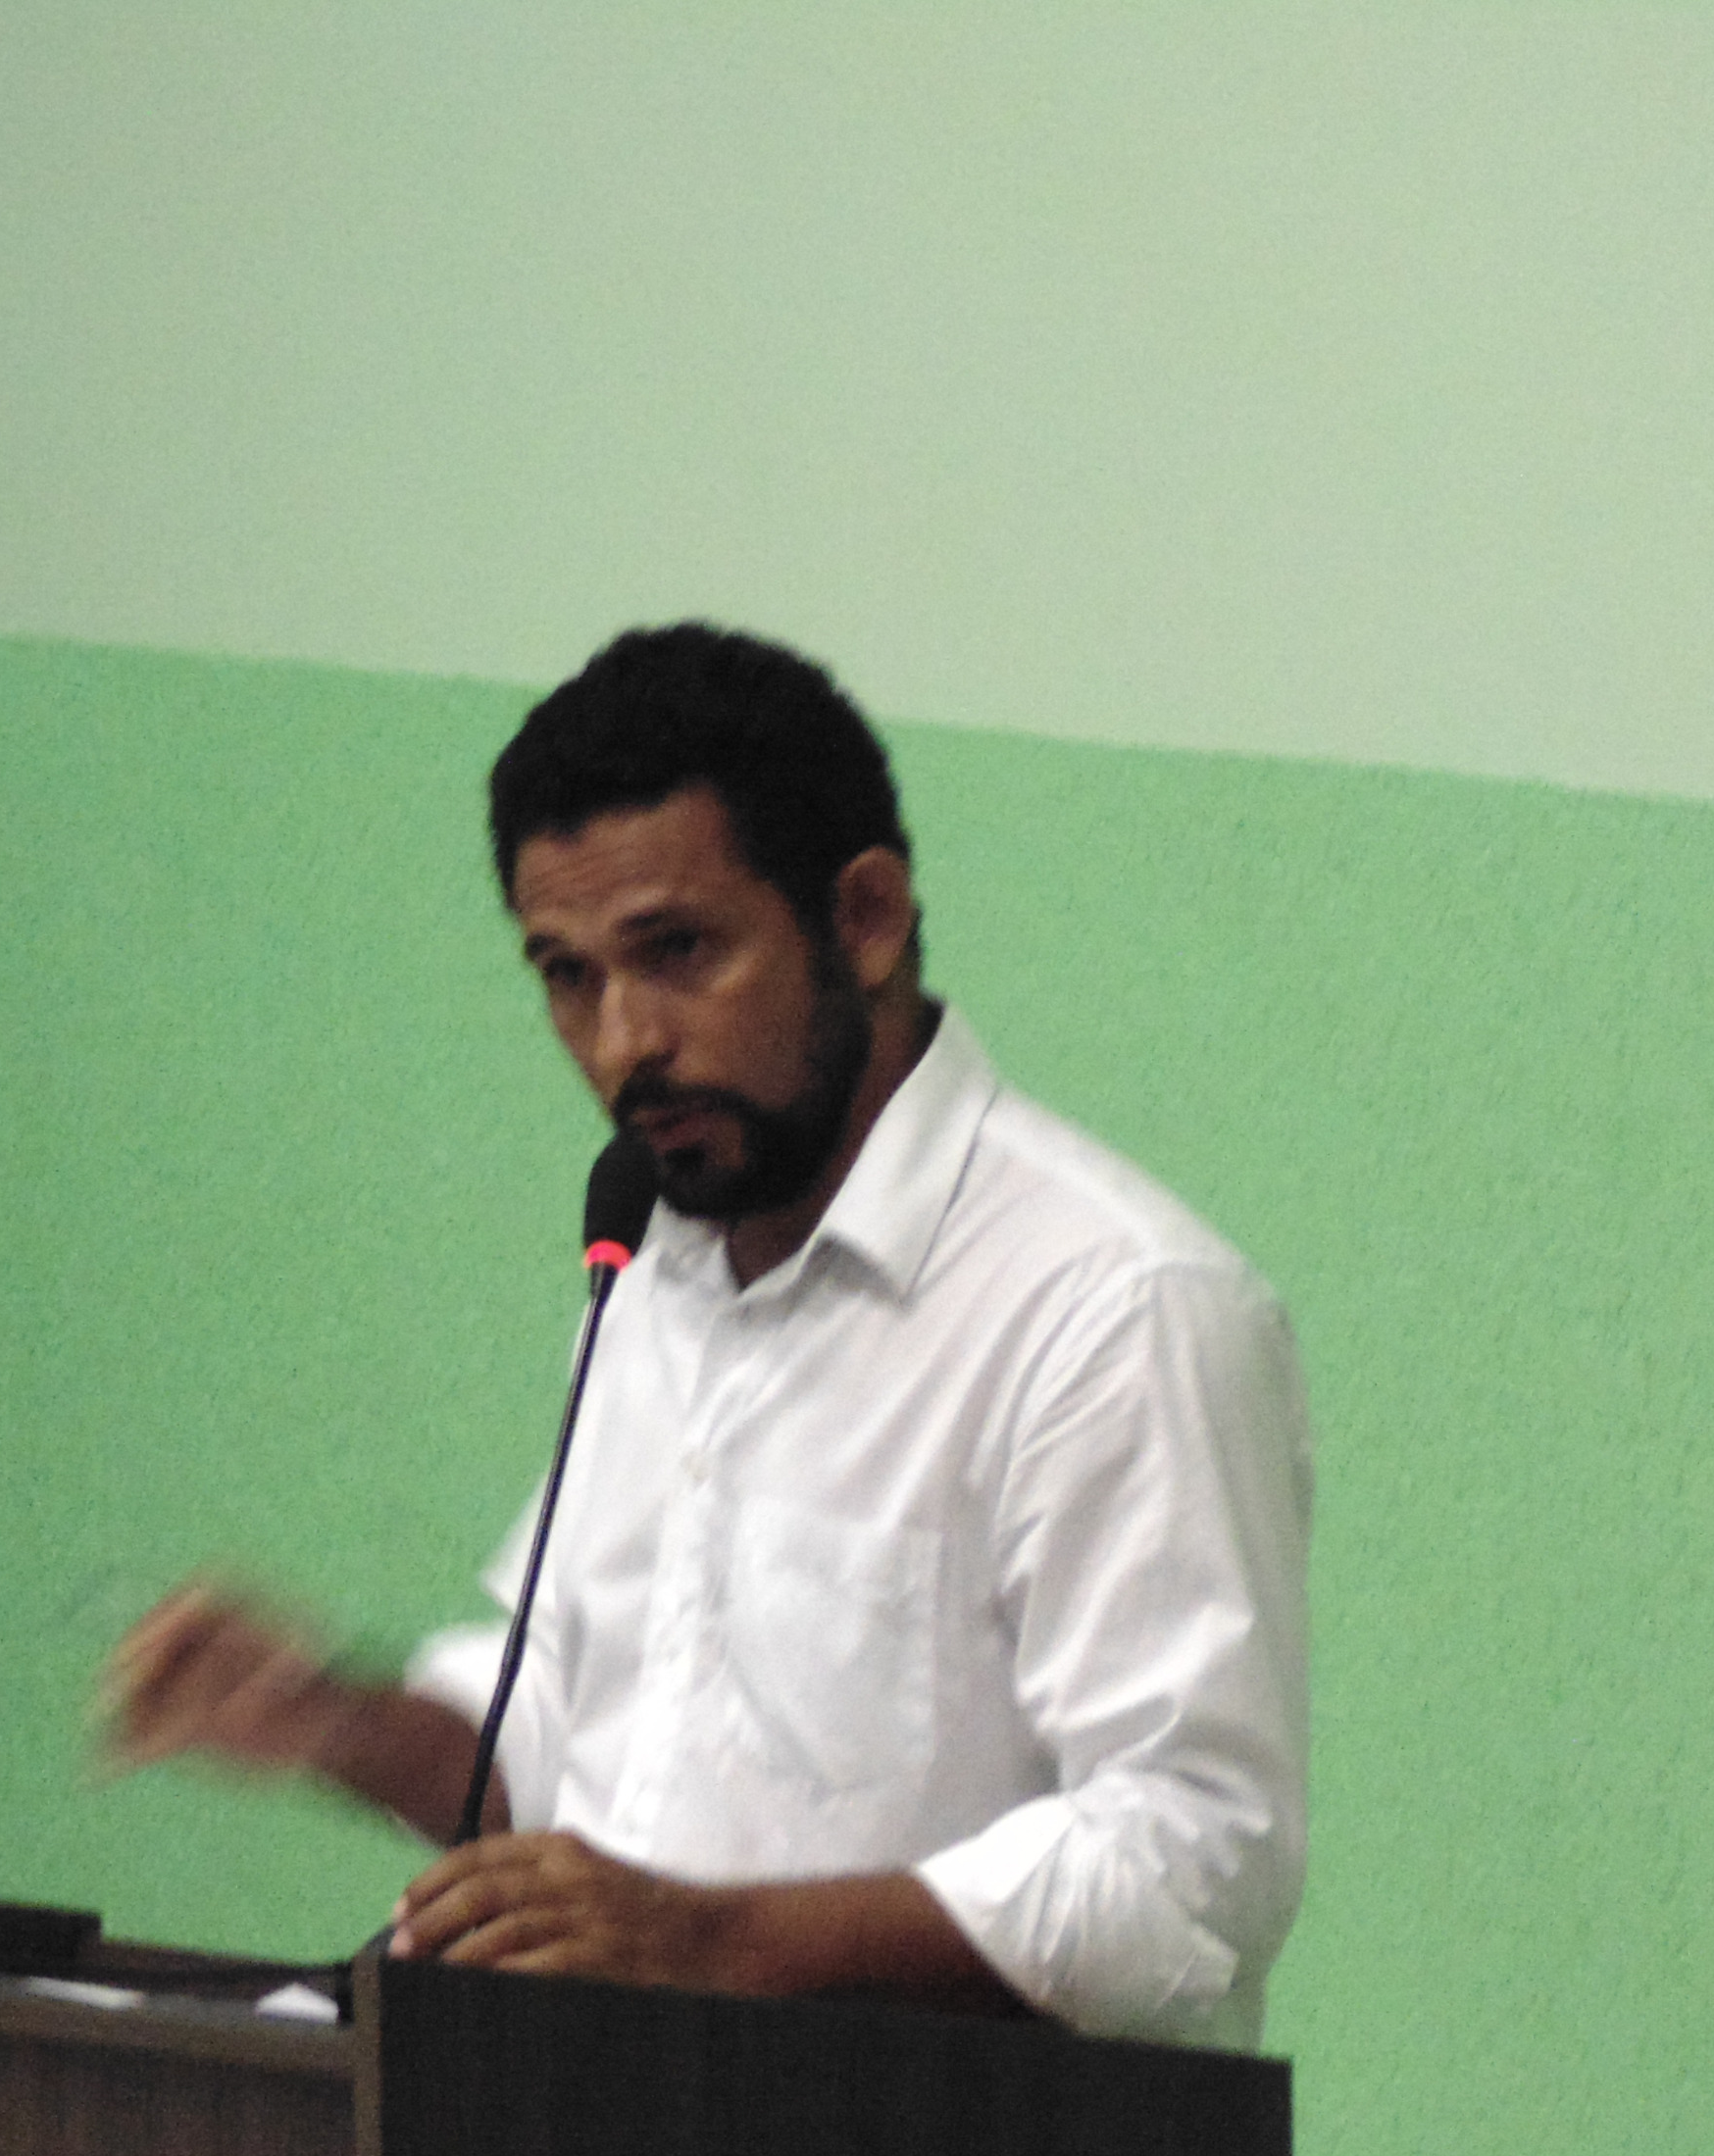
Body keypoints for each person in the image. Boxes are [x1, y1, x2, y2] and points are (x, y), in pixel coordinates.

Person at [100, 625, 1308, 2048]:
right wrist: (338, 1721)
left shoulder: (1109, 1305)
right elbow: (582, 1751)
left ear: (864, 919)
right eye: (566, 976)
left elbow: (1190, 1867)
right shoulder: (654, 1264)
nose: (624, 1045)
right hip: (607, 2138)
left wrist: (708, 1944)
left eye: (676, 953)